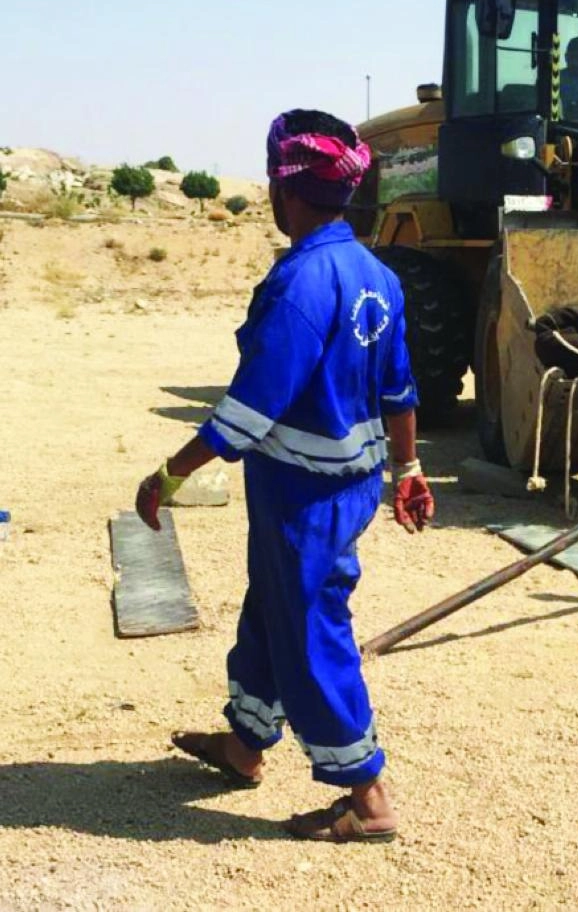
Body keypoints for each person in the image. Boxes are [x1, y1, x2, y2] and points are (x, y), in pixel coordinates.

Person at [135, 108, 434, 842]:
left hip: (305, 494)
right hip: (349, 484)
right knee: (274, 600)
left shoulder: (301, 283)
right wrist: (409, 467)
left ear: (285, 190)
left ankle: (366, 797)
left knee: (308, 624)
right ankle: (243, 745)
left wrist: (167, 476)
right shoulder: (377, 277)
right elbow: (399, 389)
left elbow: (248, 409)